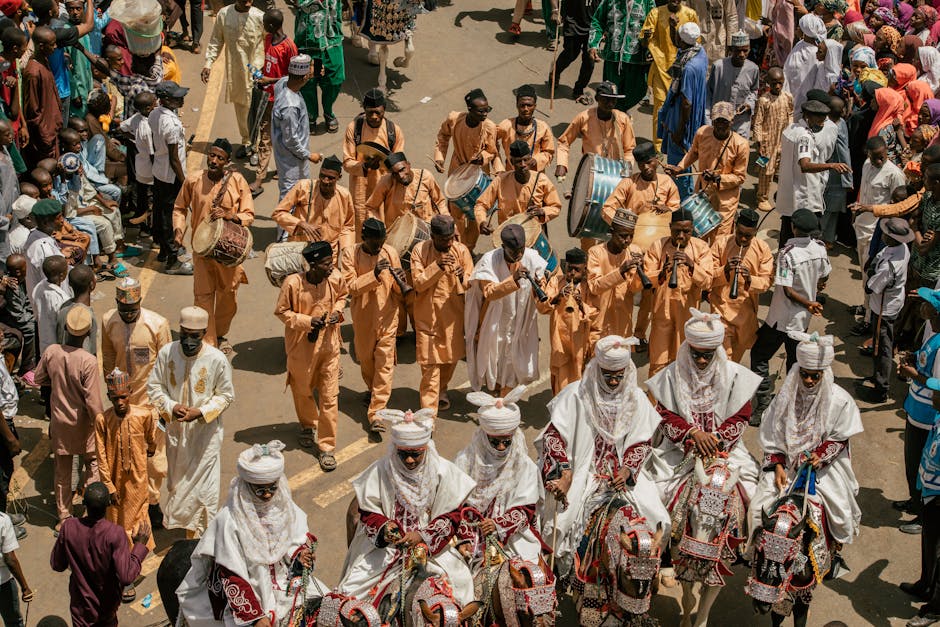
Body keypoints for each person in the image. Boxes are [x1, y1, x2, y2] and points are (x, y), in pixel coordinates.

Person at [536, 335, 671, 582]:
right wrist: (565, 473)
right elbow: (553, 437)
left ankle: (656, 569)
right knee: (558, 526)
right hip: (583, 474)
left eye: (619, 375)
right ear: (597, 368)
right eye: (607, 373)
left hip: (621, 478)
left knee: (658, 517)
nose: (613, 380)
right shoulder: (576, 394)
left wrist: (628, 470)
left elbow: (642, 441)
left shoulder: (637, 398)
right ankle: (552, 580)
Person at [176, 440, 326, 625]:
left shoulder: (285, 505)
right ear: (247, 485)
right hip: (251, 584)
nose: (268, 495)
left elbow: (296, 538)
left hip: (284, 577)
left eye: (272, 488)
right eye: (260, 489)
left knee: (328, 604)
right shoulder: (229, 521)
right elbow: (231, 572)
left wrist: (300, 555)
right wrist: (255, 617)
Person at [646, 310, 761, 550]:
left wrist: (716, 439)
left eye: (707, 356)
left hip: (726, 452)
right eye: (696, 354)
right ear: (688, 348)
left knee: (753, 497)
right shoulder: (671, 375)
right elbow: (665, 415)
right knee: (656, 497)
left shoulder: (735, 375)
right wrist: (692, 434)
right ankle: (662, 557)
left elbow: (742, 414)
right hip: (678, 452)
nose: (700, 361)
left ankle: (742, 550)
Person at [337, 409, 476, 604]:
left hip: (431, 548)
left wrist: (422, 536)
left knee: (463, 588)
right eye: (403, 454)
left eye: (415, 454)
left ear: (425, 449)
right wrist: (386, 528)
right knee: (349, 594)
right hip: (386, 550)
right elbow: (368, 512)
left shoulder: (443, 472)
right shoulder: (382, 469)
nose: (409, 460)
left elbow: (452, 516)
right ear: (395, 449)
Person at [747, 333, 863, 562]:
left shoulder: (840, 400)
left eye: (815, 376)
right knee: (757, 509)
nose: (809, 381)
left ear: (824, 374)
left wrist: (820, 457)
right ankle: (754, 556)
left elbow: (840, 437)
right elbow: (772, 436)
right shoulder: (784, 398)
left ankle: (830, 556)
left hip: (821, 469)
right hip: (786, 468)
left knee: (836, 511)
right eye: (805, 375)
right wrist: (778, 466)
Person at [147, 306, 235, 538]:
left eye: (194, 336)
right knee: (178, 483)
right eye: (184, 334)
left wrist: (201, 412)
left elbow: (226, 395)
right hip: (177, 434)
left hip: (205, 435)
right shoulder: (167, 353)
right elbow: (155, 386)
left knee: (204, 488)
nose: (188, 340)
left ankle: (202, 537)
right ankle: (186, 528)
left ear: (204, 333)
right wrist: (170, 407)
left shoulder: (217, 359)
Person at [100, 277, 172, 529]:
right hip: (123, 407)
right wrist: (114, 392)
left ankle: (152, 503)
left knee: (154, 462)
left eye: (132, 309)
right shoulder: (109, 321)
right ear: (117, 304)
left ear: (140, 303)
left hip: (151, 407)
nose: (128, 314)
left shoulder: (157, 324)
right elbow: (108, 356)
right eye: (124, 310)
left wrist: (164, 408)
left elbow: (166, 365)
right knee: (124, 458)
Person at [174, 138, 255, 353]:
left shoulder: (237, 181)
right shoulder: (193, 180)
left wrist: (232, 215)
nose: (214, 160)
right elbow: (179, 208)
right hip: (202, 252)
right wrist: (179, 230)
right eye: (212, 155)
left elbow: (249, 214)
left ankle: (219, 332)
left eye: (220, 158)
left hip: (227, 252)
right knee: (203, 297)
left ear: (227, 161)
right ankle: (209, 343)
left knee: (228, 297)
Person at [750, 209, 831, 417]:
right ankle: (789, 406)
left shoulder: (788, 254)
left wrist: (807, 302)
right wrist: (813, 293)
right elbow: (824, 276)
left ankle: (763, 402)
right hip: (802, 321)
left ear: (793, 227)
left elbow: (786, 290)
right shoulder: (820, 249)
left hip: (781, 318)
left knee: (759, 355)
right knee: (794, 365)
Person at [274, 241, 347, 470]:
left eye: (331, 262)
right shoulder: (293, 283)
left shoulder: (335, 279)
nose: (331, 267)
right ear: (313, 265)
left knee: (329, 397)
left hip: (330, 347)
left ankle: (326, 447)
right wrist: (307, 322)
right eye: (326, 263)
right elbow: (282, 312)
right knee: (303, 391)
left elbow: (343, 296)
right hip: (301, 349)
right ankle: (307, 425)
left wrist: (337, 312)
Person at [455, 386, 544, 563]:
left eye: (506, 442)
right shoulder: (464, 461)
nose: (502, 447)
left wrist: (498, 524)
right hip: (471, 531)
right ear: (484, 437)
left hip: (512, 536)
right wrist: (465, 536)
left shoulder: (524, 466)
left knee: (531, 571)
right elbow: (454, 504)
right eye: (495, 442)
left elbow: (526, 509)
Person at [34, 306, 101, 530]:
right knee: (92, 464)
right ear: (87, 333)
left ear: (65, 328)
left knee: (62, 470)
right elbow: (92, 401)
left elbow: (38, 378)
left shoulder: (52, 351)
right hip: (84, 423)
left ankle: (64, 517)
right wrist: (101, 424)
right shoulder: (88, 361)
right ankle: (92, 511)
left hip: (60, 421)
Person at [94, 367, 156, 602]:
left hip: (138, 484)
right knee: (118, 529)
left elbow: (151, 441)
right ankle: (124, 572)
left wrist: (148, 449)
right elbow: (101, 456)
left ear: (130, 392)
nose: (120, 402)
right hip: (116, 488)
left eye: (123, 397)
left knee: (139, 525)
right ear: (109, 398)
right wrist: (108, 487)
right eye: (114, 398)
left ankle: (127, 572)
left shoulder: (144, 414)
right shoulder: (103, 420)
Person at [50, 482, 150, 627]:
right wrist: (139, 546)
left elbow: (57, 564)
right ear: (108, 505)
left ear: (84, 504)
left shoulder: (69, 527)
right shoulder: (115, 534)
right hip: (106, 609)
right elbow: (126, 576)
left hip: (81, 608)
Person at [465, 223, 547, 394]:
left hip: (521, 319)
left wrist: (540, 285)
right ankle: (496, 389)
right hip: (495, 319)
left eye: (521, 250)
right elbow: (489, 292)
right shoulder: (489, 260)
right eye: (513, 252)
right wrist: (513, 279)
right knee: (494, 356)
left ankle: (505, 396)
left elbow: (545, 280)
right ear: (503, 247)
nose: (518, 255)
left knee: (513, 358)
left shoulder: (531, 256)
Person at [342, 218, 405, 431]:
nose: (379, 247)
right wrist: (375, 274)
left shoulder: (390, 252)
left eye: (381, 242)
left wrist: (401, 282)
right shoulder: (350, 254)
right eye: (374, 243)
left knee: (385, 365)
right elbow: (350, 286)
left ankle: (376, 413)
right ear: (363, 238)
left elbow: (396, 287)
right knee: (366, 360)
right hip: (363, 319)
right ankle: (372, 390)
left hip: (388, 317)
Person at [410, 214, 474, 412]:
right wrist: (437, 266)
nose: (449, 243)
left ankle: (441, 390)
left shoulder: (461, 251)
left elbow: (471, 283)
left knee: (449, 359)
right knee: (430, 366)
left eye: (451, 238)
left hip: (452, 318)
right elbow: (419, 283)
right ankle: (429, 416)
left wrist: (462, 276)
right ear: (433, 236)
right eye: (444, 240)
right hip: (426, 318)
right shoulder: (420, 251)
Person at [643, 208, 714, 376]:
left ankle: (678, 399)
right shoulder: (658, 245)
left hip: (687, 314)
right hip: (662, 313)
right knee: (658, 362)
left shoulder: (701, 248)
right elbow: (645, 279)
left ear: (692, 229)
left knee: (683, 361)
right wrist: (661, 272)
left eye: (686, 231)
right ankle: (655, 401)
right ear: (670, 228)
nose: (681, 236)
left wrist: (691, 265)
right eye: (677, 231)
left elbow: (708, 282)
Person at [664, 102, 748, 236]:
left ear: (732, 122)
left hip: (725, 200)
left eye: (724, 121)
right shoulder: (702, 133)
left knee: (719, 238)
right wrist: (679, 168)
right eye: (717, 121)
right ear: (712, 121)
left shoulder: (741, 145)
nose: (720, 125)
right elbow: (693, 153)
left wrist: (718, 178)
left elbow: (740, 177)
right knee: (698, 234)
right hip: (703, 193)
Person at [851, 136, 906, 334]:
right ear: (868, 155)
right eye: (875, 157)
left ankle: (867, 320)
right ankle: (865, 307)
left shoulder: (894, 174)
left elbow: (897, 207)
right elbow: (863, 192)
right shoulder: (866, 165)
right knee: (864, 274)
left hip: (877, 232)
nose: (879, 161)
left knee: (871, 275)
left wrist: (868, 208)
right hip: (861, 226)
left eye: (882, 157)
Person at [434, 88, 500, 249]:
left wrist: (483, 157)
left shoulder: (489, 127)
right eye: (481, 111)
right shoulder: (454, 119)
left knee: (475, 214)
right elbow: (443, 136)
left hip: (478, 172)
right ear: (470, 109)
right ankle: (457, 245)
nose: (485, 114)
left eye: (487, 110)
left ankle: (468, 248)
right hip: (457, 170)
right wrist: (439, 157)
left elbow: (492, 151)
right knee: (456, 212)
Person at [856, 218, 912, 404]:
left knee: (883, 349)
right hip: (888, 303)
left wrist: (871, 272)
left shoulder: (891, 265)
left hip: (884, 309)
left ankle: (881, 389)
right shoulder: (901, 249)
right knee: (880, 344)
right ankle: (876, 376)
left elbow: (872, 287)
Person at [775, 99, 844, 246]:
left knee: (786, 234)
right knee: (803, 240)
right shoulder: (804, 137)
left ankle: (782, 264)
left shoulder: (790, 129)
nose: (823, 122)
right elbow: (804, 165)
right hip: (802, 196)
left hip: (788, 193)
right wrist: (831, 166)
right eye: (819, 118)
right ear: (808, 116)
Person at [708, 208, 774, 361]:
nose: (743, 239)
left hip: (745, 312)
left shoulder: (762, 249)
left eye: (748, 236)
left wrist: (750, 279)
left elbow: (766, 282)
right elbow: (707, 276)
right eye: (740, 234)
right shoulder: (721, 244)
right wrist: (724, 270)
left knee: (734, 360)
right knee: (724, 358)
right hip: (721, 308)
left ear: (755, 232)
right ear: (735, 228)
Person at [201, 0, 265, 157]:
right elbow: (216, 40)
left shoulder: (259, 17)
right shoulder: (224, 14)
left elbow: (270, 41)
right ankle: (246, 142)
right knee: (241, 110)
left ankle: (256, 147)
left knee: (256, 110)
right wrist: (208, 63)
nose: (248, 3)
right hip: (235, 74)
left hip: (257, 74)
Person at [250, 8, 298, 196]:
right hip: (267, 98)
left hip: (283, 100)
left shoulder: (289, 47)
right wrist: (260, 75)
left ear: (271, 25)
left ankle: (283, 168)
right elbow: (269, 64)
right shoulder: (268, 40)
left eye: (264, 24)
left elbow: (294, 77)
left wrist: (269, 81)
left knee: (284, 136)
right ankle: (259, 179)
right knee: (265, 137)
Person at [659, 22, 709, 200]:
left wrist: (679, 131)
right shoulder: (700, 53)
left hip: (682, 118)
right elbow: (679, 43)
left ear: (682, 40)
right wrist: (673, 28)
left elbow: (686, 102)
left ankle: (681, 200)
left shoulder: (687, 68)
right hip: (694, 114)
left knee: (679, 160)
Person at [536, 248, 598, 393]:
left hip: (580, 340)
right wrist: (558, 297)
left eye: (577, 270)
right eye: (569, 268)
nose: (571, 273)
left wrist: (581, 304)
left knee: (579, 372)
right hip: (559, 338)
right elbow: (541, 307)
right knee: (561, 374)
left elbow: (595, 311)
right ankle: (560, 407)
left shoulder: (588, 287)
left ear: (584, 271)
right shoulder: (556, 282)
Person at [342, 88, 404, 232]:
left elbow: (399, 163)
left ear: (384, 110)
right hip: (361, 189)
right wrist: (364, 166)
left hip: (386, 187)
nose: (374, 116)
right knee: (361, 227)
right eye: (370, 112)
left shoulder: (393, 131)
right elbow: (347, 162)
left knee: (387, 225)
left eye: (378, 112)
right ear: (364, 109)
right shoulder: (354, 129)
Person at [272, 155, 353, 263]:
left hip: (328, 256)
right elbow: (278, 213)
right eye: (322, 176)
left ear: (339, 177)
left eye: (330, 178)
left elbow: (348, 225)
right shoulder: (303, 187)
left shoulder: (344, 195)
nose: (325, 181)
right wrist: (301, 223)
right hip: (303, 250)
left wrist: (347, 249)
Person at [641, 0, 699, 152]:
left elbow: (695, 44)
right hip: (661, 68)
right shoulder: (656, 13)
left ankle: (679, 142)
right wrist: (646, 38)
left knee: (682, 108)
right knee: (660, 109)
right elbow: (644, 40)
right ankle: (658, 147)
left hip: (682, 71)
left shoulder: (690, 14)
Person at [474, 140, 562, 236]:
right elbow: (481, 204)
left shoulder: (542, 180)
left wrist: (543, 211)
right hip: (509, 236)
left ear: (530, 159)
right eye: (518, 161)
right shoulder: (500, 181)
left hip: (535, 235)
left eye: (526, 160)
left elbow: (556, 207)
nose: (523, 164)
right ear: (512, 162)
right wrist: (482, 222)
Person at [554, 81, 637, 182]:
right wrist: (561, 164)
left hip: (615, 173)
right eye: (606, 99)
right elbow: (564, 142)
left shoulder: (623, 119)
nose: (610, 104)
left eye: (613, 100)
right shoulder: (584, 117)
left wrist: (627, 169)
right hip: (590, 172)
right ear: (597, 98)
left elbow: (629, 149)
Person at [150, 80, 191, 275]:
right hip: (171, 175)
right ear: (166, 100)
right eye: (177, 97)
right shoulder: (172, 124)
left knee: (160, 211)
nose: (181, 99)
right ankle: (172, 259)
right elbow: (175, 159)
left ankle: (163, 251)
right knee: (170, 216)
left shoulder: (154, 114)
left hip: (159, 170)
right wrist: (185, 183)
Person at [587, 208, 646, 342]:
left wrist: (641, 270)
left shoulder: (635, 250)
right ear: (611, 232)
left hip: (623, 322)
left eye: (631, 235)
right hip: (599, 322)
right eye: (623, 235)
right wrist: (620, 271)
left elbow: (634, 288)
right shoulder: (595, 252)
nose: (628, 240)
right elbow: (594, 287)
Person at [586, 0, 654, 111]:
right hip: (613, 58)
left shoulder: (647, 2)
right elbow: (597, 20)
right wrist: (593, 44)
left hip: (637, 60)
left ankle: (620, 114)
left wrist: (650, 48)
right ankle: (616, 117)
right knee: (611, 94)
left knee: (638, 92)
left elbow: (654, 25)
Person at [271, 54, 323, 199]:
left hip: (287, 158)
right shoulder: (290, 106)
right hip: (292, 163)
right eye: (311, 67)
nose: (313, 69)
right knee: (291, 199)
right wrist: (309, 155)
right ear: (305, 77)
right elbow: (291, 140)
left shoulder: (282, 83)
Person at [293, 0, 345, 133]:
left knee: (334, 81)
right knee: (309, 83)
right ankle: (311, 115)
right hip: (310, 47)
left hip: (332, 44)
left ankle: (328, 111)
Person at [364, 152, 446, 226]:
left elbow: (439, 202)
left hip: (425, 232)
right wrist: (380, 229)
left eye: (402, 169)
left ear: (408, 164)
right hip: (396, 235)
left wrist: (447, 224)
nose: (400, 176)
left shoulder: (425, 177)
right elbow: (371, 208)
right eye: (395, 174)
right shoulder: (386, 181)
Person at [706, 31, 759, 138]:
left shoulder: (753, 69)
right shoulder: (718, 67)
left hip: (741, 121)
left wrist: (749, 104)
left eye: (745, 50)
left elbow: (754, 90)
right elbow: (708, 93)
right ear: (731, 50)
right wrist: (707, 118)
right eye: (738, 51)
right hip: (720, 122)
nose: (742, 54)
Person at [21, 27, 61, 164]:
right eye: (52, 44)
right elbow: (32, 109)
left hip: (51, 130)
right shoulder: (33, 72)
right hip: (44, 137)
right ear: (41, 46)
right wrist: (45, 134)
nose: (55, 47)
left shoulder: (44, 61)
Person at [496, 85, 555, 171]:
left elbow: (549, 152)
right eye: (522, 105)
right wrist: (499, 166)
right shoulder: (506, 125)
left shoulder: (543, 127)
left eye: (529, 105)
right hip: (511, 173)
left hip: (534, 174)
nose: (526, 109)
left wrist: (536, 160)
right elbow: (490, 141)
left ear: (535, 106)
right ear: (517, 105)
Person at [784, 14, 826, 117]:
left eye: (799, 27)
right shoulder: (799, 45)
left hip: (803, 97)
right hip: (790, 93)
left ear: (805, 32)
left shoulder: (815, 54)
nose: (797, 28)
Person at [32, 255, 70, 355]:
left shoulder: (39, 287)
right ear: (62, 276)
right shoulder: (60, 298)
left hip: (44, 338)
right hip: (57, 346)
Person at [0, 504, 31, 624]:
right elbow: (10, 560)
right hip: (3, 582)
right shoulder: (2, 521)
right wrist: (25, 587)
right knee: (13, 620)